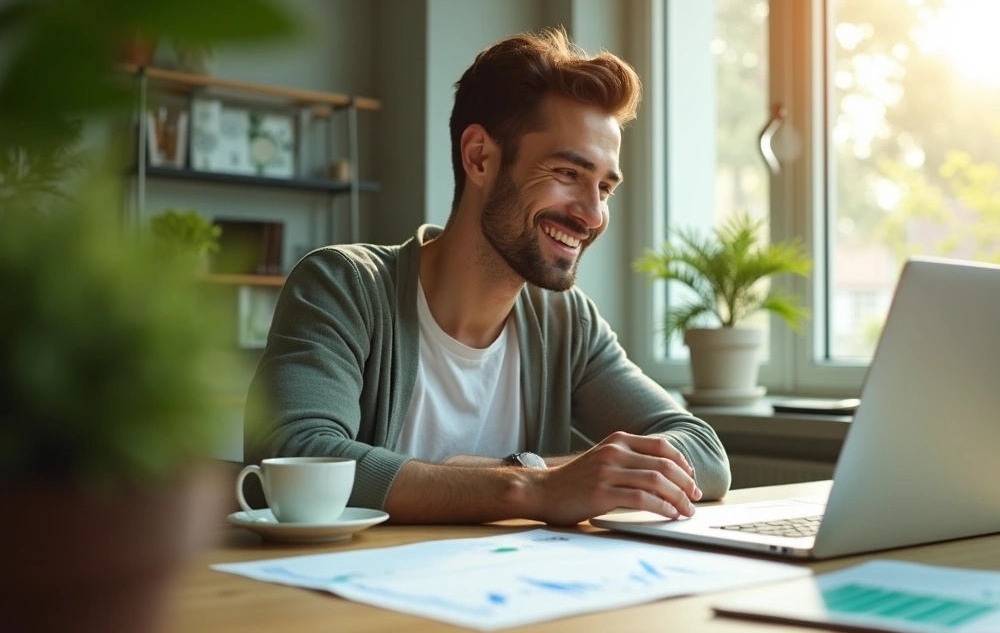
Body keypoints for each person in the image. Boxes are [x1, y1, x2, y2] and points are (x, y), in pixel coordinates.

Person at [245, 28, 730, 526]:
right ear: (479, 156)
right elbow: (296, 452)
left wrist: (532, 472)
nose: (593, 215)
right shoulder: (343, 286)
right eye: (567, 173)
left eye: (604, 188)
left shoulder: (566, 322)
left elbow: (703, 452)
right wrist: (532, 487)